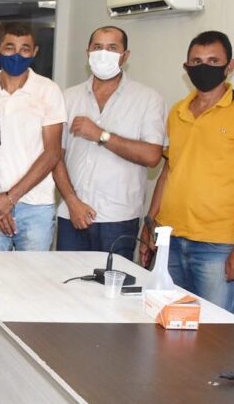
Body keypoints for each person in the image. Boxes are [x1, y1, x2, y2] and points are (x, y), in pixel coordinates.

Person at [140, 30, 234, 313]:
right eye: (196, 61)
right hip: (170, 239)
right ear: (186, 67)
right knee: (164, 319)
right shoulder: (178, 111)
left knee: (214, 329)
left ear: (230, 66)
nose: (204, 67)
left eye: (213, 61)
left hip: (217, 244)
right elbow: (167, 172)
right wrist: (150, 223)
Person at [52, 27, 165, 256]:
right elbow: (55, 157)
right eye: (97, 47)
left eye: (112, 48)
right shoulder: (67, 97)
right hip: (71, 213)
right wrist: (72, 201)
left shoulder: (147, 99)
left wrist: (102, 136)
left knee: (113, 278)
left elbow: (152, 156)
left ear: (125, 55)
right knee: (66, 277)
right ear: (88, 53)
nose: (103, 54)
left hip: (119, 218)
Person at [0, 23, 65, 252]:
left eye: (25, 49)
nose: (17, 55)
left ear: (34, 52)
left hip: (36, 206)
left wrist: (10, 198)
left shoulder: (48, 90)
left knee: (32, 273)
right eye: (9, 47)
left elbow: (53, 152)